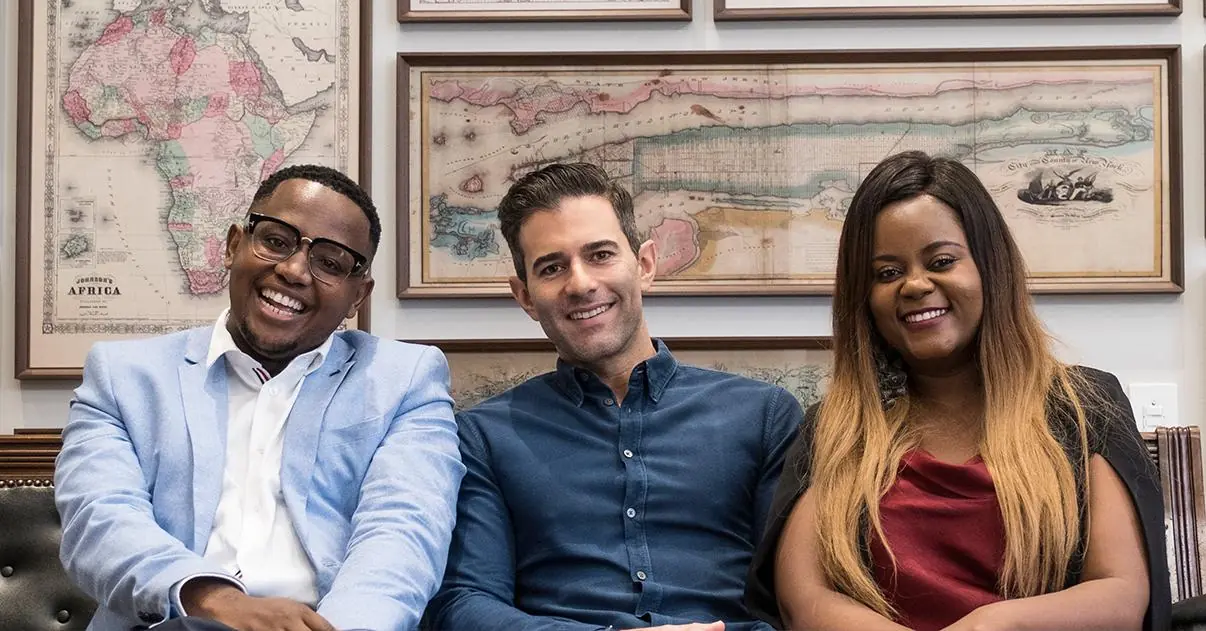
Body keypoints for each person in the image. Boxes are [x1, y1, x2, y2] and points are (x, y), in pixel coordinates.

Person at [744, 150, 1170, 631]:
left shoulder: (1084, 404)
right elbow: (804, 600)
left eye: (941, 261)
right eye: (887, 273)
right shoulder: (834, 429)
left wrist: (991, 625)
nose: (914, 284)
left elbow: (1121, 594)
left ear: (990, 266)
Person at [54, 164, 466, 631]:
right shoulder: (124, 376)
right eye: (276, 240)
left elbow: (402, 535)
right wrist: (213, 600)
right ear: (234, 245)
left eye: (330, 263)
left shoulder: (405, 380)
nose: (293, 270)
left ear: (358, 296)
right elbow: (100, 521)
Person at [423, 162, 803, 631]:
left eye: (600, 254)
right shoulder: (483, 438)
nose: (581, 284)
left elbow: (799, 599)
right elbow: (464, 604)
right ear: (525, 296)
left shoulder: (764, 416)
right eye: (552, 267)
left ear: (645, 265)